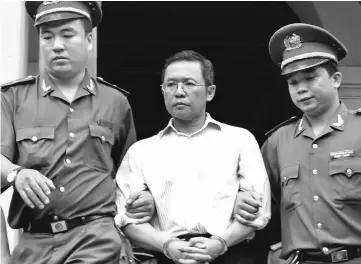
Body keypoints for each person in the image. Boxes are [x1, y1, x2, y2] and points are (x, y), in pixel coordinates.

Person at [1, 2, 154, 263]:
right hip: (33, 246)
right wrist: (16, 173)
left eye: (67, 35)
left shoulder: (115, 102)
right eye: (47, 36)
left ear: (89, 39)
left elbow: (129, 176)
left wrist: (145, 198)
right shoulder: (12, 98)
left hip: (96, 240)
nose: (56, 45)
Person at [114, 50, 271, 264]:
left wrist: (221, 242)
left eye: (189, 83)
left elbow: (259, 209)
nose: (179, 92)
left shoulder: (239, 140)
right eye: (171, 85)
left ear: (210, 92)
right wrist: (166, 245)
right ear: (162, 91)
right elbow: (125, 218)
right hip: (166, 253)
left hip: (230, 253)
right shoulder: (141, 151)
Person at [233, 23, 361, 264]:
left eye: (311, 78)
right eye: (293, 82)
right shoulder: (277, 142)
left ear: (336, 79)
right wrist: (242, 199)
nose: (301, 88)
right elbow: (256, 204)